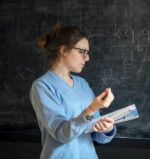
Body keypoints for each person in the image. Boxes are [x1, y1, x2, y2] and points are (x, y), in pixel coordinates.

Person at [30, 23, 116, 159]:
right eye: (82, 52)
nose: (87, 58)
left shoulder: (82, 84)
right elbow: (62, 134)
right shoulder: (42, 86)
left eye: (87, 53)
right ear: (64, 50)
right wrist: (92, 108)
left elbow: (96, 135)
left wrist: (107, 129)